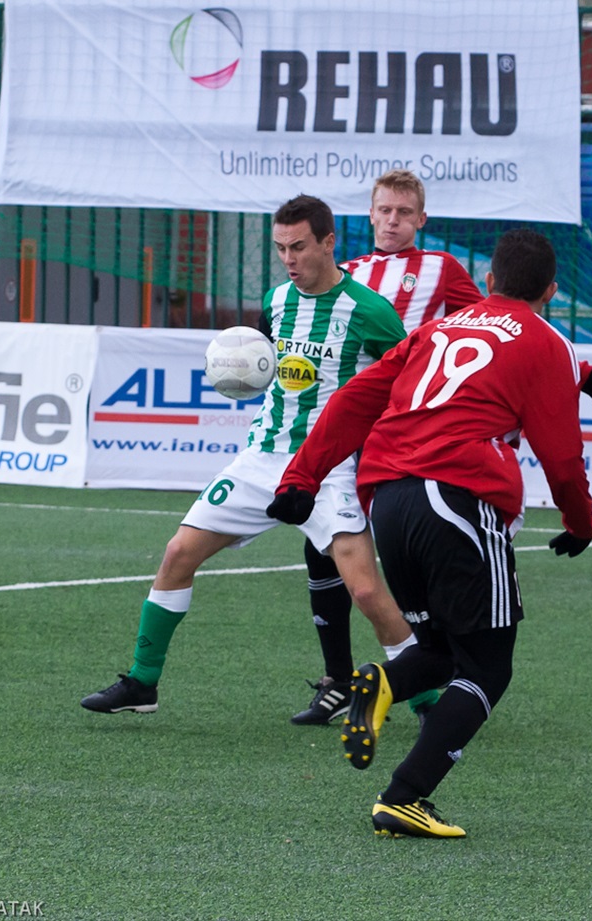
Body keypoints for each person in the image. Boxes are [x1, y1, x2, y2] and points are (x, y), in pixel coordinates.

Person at [267, 228, 592, 838]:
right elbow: (562, 455)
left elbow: (354, 400)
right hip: (457, 499)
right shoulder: (545, 341)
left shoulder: (438, 330)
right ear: (551, 291)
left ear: (492, 281)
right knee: (490, 666)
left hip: (389, 500)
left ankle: (383, 685)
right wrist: (583, 523)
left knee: (445, 651)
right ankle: (404, 795)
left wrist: (301, 477)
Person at [292, 169, 592, 727]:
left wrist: (581, 372)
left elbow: (499, 329)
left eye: (403, 212)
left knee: (379, 578)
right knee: (328, 552)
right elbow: (518, 327)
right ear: (369, 215)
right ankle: (346, 680)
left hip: (406, 437)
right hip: (392, 439)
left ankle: (400, 689)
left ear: (421, 219)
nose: (392, 220)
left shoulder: (443, 270)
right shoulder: (348, 274)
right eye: (384, 210)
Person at [81, 193, 416, 716]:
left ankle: (431, 697)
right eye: (280, 248)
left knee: (369, 594)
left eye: (299, 247)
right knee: (177, 554)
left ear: (328, 243)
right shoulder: (277, 300)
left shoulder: (370, 311)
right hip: (261, 459)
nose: (289, 258)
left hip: (329, 471)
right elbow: (266, 358)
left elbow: (407, 387)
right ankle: (143, 683)